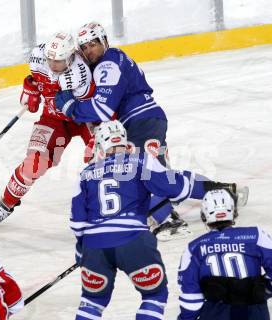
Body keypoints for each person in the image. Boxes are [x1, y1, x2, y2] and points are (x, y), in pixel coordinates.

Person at [70, 120, 240, 320]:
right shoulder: (140, 160)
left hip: (95, 245)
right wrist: (207, 188)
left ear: (99, 144)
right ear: (124, 140)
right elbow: (172, 187)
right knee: (154, 295)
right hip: (133, 241)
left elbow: (77, 224)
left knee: (91, 302)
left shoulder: (85, 174)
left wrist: (84, 251)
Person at [55, 22, 192, 240]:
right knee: (156, 173)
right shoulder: (114, 57)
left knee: (138, 174)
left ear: (104, 41)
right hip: (148, 118)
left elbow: (102, 108)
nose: (89, 50)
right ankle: (217, 191)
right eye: (85, 47)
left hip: (140, 122)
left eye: (93, 44)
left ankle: (170, 221)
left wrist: (71, 107)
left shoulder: (107, 66)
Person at [0, 31, 95, 228]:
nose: (53, 64)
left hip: (85, 118)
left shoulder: (80, 72)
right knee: (33, 164)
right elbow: (35, 79)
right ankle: (6, 204)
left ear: (70, 57)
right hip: (53, 119)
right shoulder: (37, 58)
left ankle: (124, 205)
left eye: (59, 61)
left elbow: (90, 106)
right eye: (50, 59)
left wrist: (97, 135)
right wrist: (31, 87)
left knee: (102, 158)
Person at [177, 189, 272, 320]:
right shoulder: (256, 236)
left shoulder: (194, 248)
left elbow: (191, 297)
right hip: (254, 313)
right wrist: (263, 290)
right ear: (233, 211)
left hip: (216, 314)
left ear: (204, 215)